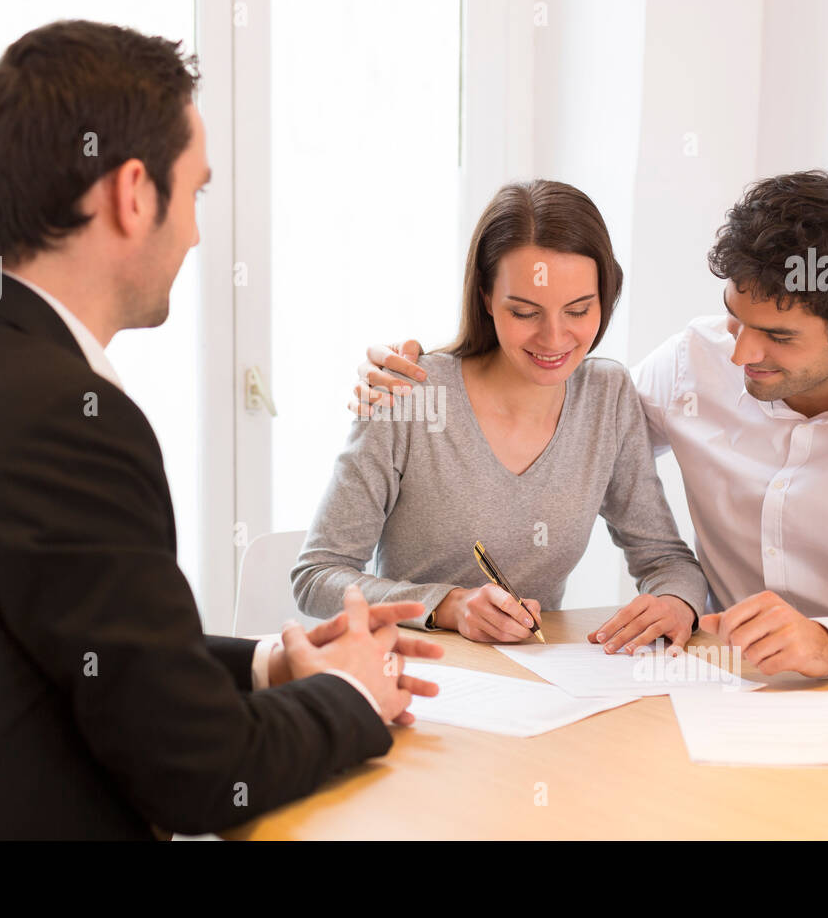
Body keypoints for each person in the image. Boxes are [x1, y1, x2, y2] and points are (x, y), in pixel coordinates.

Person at [0, 19, 441, 840]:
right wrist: (351, 693)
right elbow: (203, 779)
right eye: (197, 193)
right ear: (133, 192)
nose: (192, 232)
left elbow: (72, 648)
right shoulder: (65, 422)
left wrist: (266, 665)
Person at [352, 171, 828, 685]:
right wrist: (415, 385)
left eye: (777, 337)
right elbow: (564, 426)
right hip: (732, 689)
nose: (740, 355)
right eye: (736, 318)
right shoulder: (691, 364)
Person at [294, 180, 709, 647]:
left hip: (536, 679)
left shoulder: (606, 395)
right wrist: (448, 607)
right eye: (524, 312)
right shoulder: (409, 392)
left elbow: (666, 560)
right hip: (414, 672)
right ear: (487, 297)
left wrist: (676, 603)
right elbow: (316, 577)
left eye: (578, 309)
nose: (554, 339)